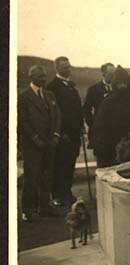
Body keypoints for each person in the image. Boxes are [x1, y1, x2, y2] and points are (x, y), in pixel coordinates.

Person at [18, 65, 61, 220]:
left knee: (47, 176)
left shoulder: (50, 95)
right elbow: (23, 122)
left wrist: (56, 135)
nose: (43, 79)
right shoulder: (23, 97)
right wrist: (35, 139)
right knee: (32, 177)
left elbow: (57, 116)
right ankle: (28, 210)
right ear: (31, 77)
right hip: (33, 145)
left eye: (44, 76)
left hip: (50, 144)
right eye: (39, 77)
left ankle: (45, 207)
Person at [45, 56, 84, 209]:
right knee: (59, 164)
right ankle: (57, 195)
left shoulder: (71, 86)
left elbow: (76, 110)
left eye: (68, 66)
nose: (67, 69)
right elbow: (54, 113)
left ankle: (66, 192)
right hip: (62, 134)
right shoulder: (52, 87)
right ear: (57, 68)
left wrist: (81, 127)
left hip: (74, 134)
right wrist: (61, 132)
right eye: (64, 67)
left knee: (70, 164)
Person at [92, 66, 130, 167]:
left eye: (125, 83)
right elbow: (101, 125)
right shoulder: (108, 102)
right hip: (112, 144)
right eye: (119, 83)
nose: (122, 86)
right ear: (115, 85)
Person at [83, 62, 115, 158]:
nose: (113, 76)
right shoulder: (94, 90)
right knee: (102, 163)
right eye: (110, 74)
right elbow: (86, 110)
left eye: (114, 74)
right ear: (103, 74)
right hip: (100, 134)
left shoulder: (118, 89)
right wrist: (94, 124)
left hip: (116, 133)